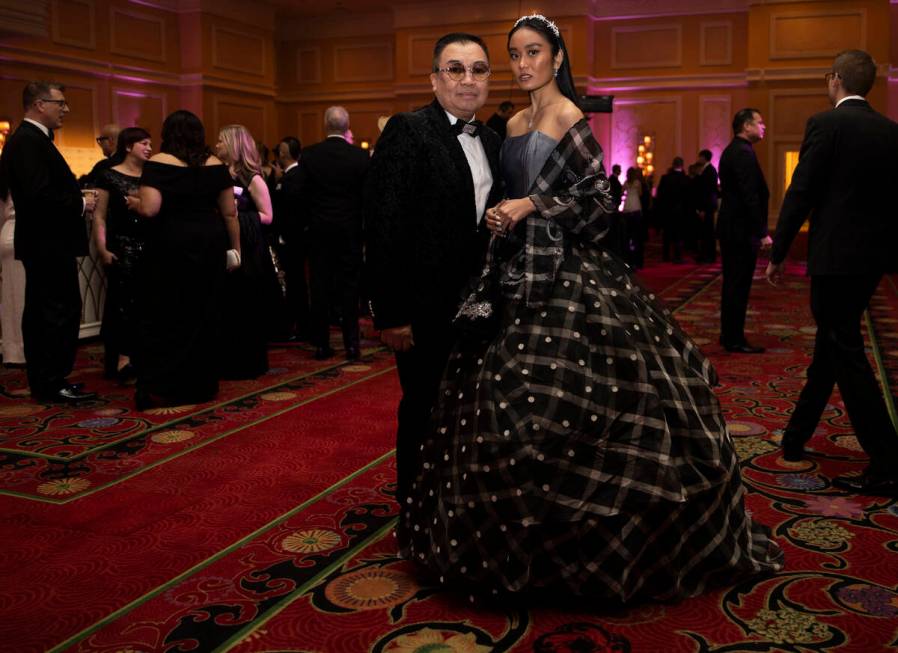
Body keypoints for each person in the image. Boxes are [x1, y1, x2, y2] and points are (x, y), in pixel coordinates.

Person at [400, 14, 783, 602]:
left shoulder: (569, 117)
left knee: (583, 406)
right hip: (511, 276)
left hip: (570, 278)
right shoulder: (513, 122)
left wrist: (530, 203)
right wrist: (508, 210)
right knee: (502, 409)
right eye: (514, 55)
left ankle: (590, 545)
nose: (523, 64)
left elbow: (600, 200)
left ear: (557, 58)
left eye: (534, 53)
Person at [366, 32, 503, 510]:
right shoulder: (408, 129)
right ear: (434, 77)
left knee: (470, 410)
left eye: (479, 69)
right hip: (422, 308)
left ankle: (458, 506)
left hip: (478, 307)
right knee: (424, 407)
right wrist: (391, 314)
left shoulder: (491, 138)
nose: (468, 79)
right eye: (455, 68)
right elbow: (383, 225)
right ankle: (417, 510)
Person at [766, 50, 898, 496]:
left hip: (833, 260)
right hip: (869, 263)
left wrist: (778, 249)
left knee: (846, 353)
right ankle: (796, 435)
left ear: (835, 79)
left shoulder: (826, 124)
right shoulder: (890, 131)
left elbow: (801, 191)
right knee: (832, 346)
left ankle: (887, 458)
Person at [0, 81, 98, 403]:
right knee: (53, 312)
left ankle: (51, 379)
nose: (65, 109)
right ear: (40, 105)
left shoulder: (33, 140)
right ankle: (50, 382)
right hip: (47, 243)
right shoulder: (27, 142)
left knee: (53, 310)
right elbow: (40, 196)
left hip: (48, 243)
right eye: (61, 103)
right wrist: (81, 204)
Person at [134, 110, 239, 409]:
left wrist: (135, 204)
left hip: (171, 243)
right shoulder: (216, 165)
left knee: (168, 311)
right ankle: (201, 382)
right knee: (203, 310)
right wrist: (235, 249)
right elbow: (229, 212)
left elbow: (152, 209)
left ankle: (166, 383)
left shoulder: (158, 163)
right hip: (208, 241)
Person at [297, 107, 369, 360]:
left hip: (319, 232)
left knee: (320, 288)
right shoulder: (360, 157)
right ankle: (351, 344)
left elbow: (301, 195)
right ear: (346, 126)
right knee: (350, 288)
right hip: (350, 231)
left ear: (325, 126)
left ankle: (321, 344)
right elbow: (366, 198)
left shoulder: (310, 155)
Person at [215, 124, 278, 379]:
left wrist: (238, 218)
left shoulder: (254, 178)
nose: (216, 145)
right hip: (223, 244)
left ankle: (248, 362)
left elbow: (268, 216)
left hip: (250, 250)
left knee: (246, 305)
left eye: (221, 141)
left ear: (233, 145)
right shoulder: (219, 175)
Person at [93, 127, 152, 383]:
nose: (149, 148)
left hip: (150, 246)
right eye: (144, 143)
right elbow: (99, 216)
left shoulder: (153, 176)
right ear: (128, 146)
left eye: (150, 144)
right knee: (121, 304)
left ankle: (143, 358)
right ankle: (122, 359)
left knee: (146, 304)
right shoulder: (108, 176)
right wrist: (102, 247)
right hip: (121, 246)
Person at [717, 109, 771, 354]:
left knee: (734, 283)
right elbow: (750, 196)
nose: (764, 127)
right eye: (759, 123)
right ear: (746, 126)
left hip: (734, 228)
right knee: (737, 285)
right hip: (739, 230)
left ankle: (730, 334)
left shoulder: (737, 150)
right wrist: (762, 232)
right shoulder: (741, 153)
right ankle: (733, 338)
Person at [272, 136, 311, 342]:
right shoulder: (293, 176)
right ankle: (299, 324)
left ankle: (300, 325)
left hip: (292, 240)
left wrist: (284, 237)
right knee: (296, 284)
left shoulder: (293, 177)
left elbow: (291, 213)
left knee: (295, 284)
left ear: (284, 154)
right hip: (295, 238)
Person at [0, 189, 25, 367]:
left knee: (9, 297)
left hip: (7, 233)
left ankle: (12, 352)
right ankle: (24, 350)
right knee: (25, 296)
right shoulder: (27, 175)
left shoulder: (4, 181)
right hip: (23, 233)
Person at [656, 156, 689, 263]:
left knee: (667, 234)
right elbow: (688, 197)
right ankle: (677, 256)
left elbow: (660, 196)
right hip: (680, 211)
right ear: (682, 165)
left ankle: (665, 256)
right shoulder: (685, 179)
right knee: (678, 235)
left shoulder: (665, 178)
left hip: (667, 210)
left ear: (673, 164)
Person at [694, 149, 719, 263]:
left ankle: (709, 256)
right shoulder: (707, 170)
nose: (698, 159)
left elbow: (707, 191)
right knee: (705, 232)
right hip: (706, 205)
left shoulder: (710, 171)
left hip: (707, 206)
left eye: (700, 157)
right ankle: (705, 255)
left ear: (704, 158)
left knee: (708, 232)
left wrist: (703, 209)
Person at [620, 166, 644, 268]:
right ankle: (636, 260)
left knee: (628, 235)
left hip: (627, 209)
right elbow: (640, 193)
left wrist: (626, 196)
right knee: (636, 235)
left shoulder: (626, 182)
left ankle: (628, 258)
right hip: (635, 208)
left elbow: (621, 193)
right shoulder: (637, 183)